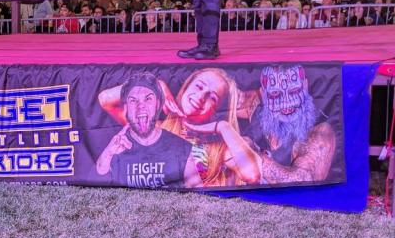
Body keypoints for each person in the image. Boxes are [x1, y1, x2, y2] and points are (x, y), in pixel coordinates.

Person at [99, 67, 261, 186]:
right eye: (199, 86)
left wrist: (224, 126)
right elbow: (105, 99)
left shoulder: (218, 148)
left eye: (212, 97)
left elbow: (252, 175)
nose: (200, 96)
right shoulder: (156, 129)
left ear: (216, 111)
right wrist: (154, 85)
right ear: (186, 87)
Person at [95, 72, 202, 189]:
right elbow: (99, 173)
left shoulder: (180, 146)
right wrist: (109, 152)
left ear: (158, 104)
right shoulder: (119, 144)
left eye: (148, 99)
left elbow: (196, 189)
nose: (141, 105)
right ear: (126, 108)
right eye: (133, 100)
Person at [242, 65, 335, 184]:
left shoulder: (320, 132)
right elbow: (231, 96)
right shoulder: (256, 109)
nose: (286, 102)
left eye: (294, 91)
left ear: (305, 86)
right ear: (263, 94)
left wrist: (248, 152)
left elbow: (302, 180)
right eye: (275, 93)